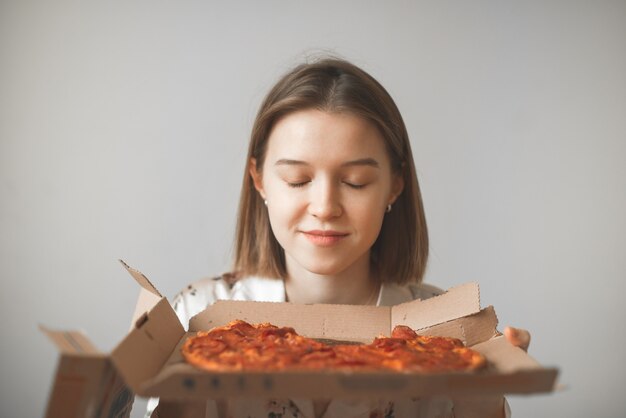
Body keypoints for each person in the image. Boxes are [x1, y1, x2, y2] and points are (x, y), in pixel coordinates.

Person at [147, 57, 530, 418]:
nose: (325, 206)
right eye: (298, 180)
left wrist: (483, 403)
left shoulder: (448, 334)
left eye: (354, 182)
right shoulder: (194, 317)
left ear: (395, 185)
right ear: (259, 179)